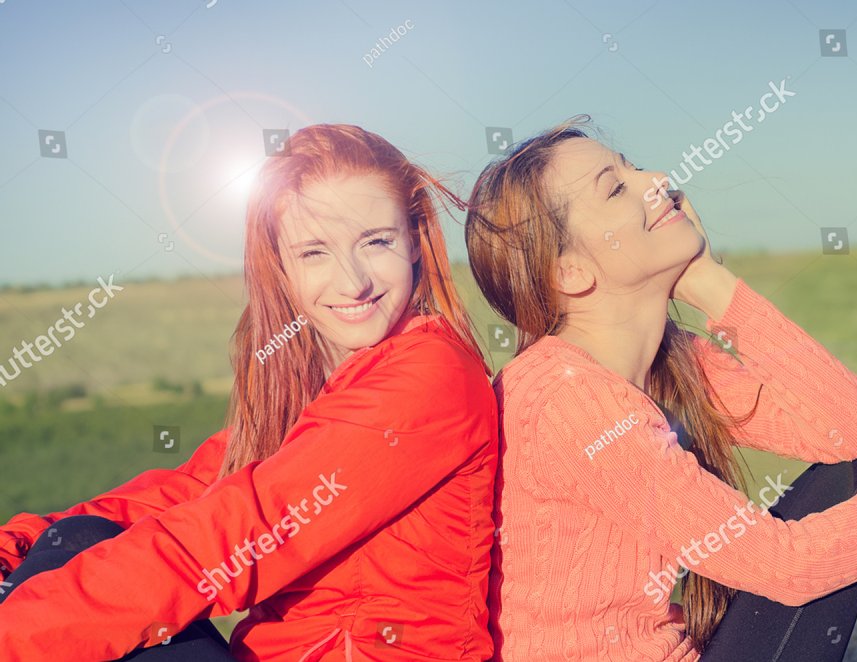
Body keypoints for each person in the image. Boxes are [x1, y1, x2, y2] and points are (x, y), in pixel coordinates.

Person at [464, 116, 857, 661]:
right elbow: (788, 567)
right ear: (572, 272)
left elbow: (851, 432)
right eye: (617, 187)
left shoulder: (661, 359)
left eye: (632, 165)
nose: (658, 179)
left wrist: (707, 280)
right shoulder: (568, 399)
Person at [0, 124, 499, 661]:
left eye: (376, 241)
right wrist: (16, 543)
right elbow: (187, 492)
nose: (352, 281)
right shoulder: (318, 383)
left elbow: (237, 533)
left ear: (416, 242)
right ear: (280, 267)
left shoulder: (430, 376)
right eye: (314, 253)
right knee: (74, 539)